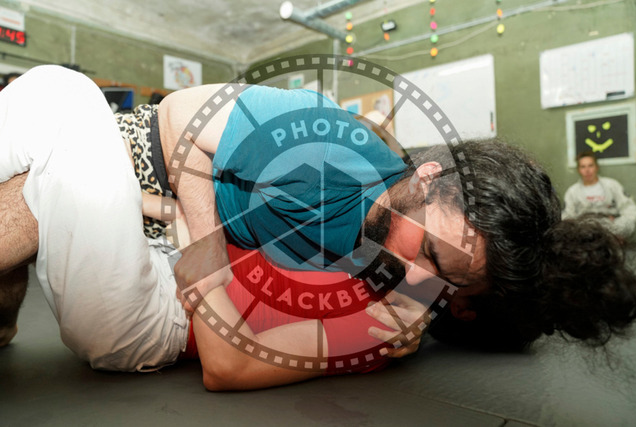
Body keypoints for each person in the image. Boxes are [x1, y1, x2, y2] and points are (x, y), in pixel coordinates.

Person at [1, 66, 636, 389]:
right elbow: (179, 117)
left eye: (445, 284)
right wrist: (197, 251)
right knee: (58, 109)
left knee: (62, 97)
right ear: (428, 178)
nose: (415, 276)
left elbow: (226, 357)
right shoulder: (329, 150)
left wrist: (196, 267)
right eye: (429, 251)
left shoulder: (393, 304)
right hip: (141, 173)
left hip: (142, 264)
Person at [0, 66, 425, 388]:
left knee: (69, 109)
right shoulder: (350, 249)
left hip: (156, 319)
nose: (420, 272)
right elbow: (189, 225)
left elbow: (228, 367)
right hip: (158, 263)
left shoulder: (378, 326)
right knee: (55, 109)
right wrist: (144, 204)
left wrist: (200, 258)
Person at [563, 150, 636, 239]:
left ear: (597, 167)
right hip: (584, 231)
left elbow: (629, 209)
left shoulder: (612, 185)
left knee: (627, 224)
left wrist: (618, 226)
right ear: (578, 170)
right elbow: (567, 216)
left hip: (612, 228)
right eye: (583, 167)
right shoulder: (572, 192)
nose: (587, 170)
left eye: (590, 165)